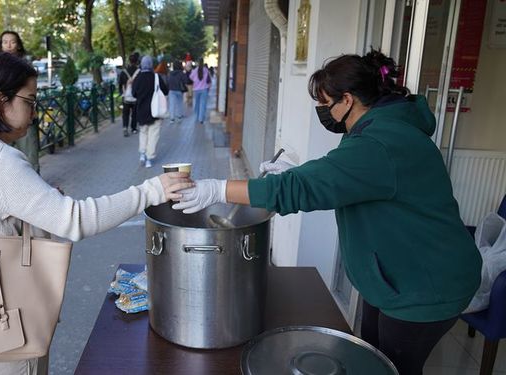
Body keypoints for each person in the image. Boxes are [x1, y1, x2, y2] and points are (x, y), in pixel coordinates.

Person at [172, 50, 482, 375]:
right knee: (372, 355)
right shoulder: (379, 126)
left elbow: (304, 188)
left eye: (324, 103)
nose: (322, 111)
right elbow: (338, 177)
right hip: (397, 274)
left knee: (394, 367)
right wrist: (296, 172)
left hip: (425, 284)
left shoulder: (381, 143)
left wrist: (215, 189)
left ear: (347, 100)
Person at [0, 50, 192, 375]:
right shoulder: (0, 161)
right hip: (10, 327)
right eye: (30, 101)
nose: (34, 113)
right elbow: (75, 219)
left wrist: (40, 202)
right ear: (0, 100)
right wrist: (152, 190)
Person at [0, 30, 39, 172]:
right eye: (5, 42)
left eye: (12, 41)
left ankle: (36, 188)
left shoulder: (26, 66)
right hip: (2, 118)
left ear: (19, 45)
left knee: (30, 157)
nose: (9, 45)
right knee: (4, 159)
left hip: (24, 116)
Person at [132, 55, 169, 169]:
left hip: (142, 111)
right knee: (153, 135)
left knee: (143, 132)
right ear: (152, 65)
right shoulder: (156, 77)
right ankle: (149, 158)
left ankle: (142, 154)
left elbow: (134, 94)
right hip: (155, 111)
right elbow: (166, 91)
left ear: (142, 65)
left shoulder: (138, 78)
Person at [118, 53, 140, 137]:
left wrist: (122, 94)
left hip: (126, 96)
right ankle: (133, 128)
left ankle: (125, 128)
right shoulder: (139, 71)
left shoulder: (124, 72)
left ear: (129, 61)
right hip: (135, 96)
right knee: (134, 113)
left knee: (125, 113)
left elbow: (120, 84)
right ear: (136, 61)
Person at [189, 59, 210, 124]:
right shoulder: (206, 70)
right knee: (203, 104)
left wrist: (195, 81)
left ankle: (197, 116)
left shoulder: (194, 70)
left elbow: (190, 77)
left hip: (196, 89)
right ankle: (201, 119)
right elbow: (209, 79)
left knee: (197, 104)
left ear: (197, 63)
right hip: (204, 89)